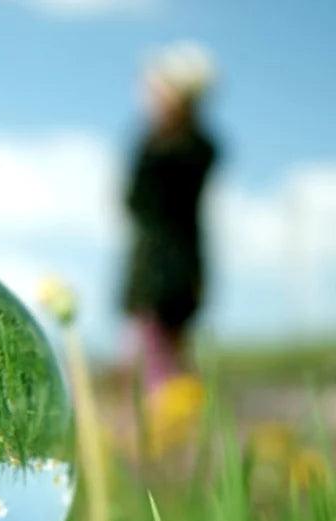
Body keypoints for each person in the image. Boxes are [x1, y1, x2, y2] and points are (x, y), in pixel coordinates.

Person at [122, 41, 218, 393]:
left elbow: (137, 202)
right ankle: (174, 432)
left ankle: (168, 435)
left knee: (155, 365)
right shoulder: (188, 145)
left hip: (163, 272)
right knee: (163, 360)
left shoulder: (176, 150)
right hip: (174, 269)